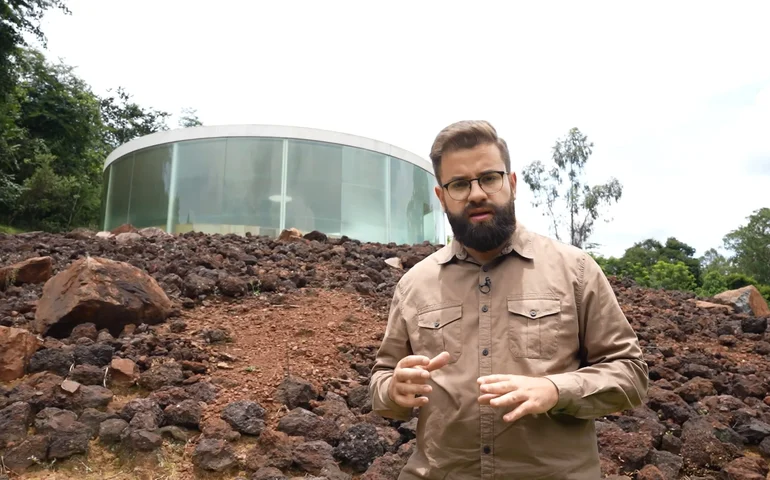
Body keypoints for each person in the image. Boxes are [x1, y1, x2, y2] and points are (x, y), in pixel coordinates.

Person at [369, 120, 649, 479]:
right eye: (458, 184)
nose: (476, 194)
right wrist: (393, 389)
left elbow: (630, 373)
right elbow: (382, 380)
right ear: (441, 197)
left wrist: (555, 389)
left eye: (489, 178)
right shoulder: (413, 285)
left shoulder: (575, 271)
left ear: (511, 183)